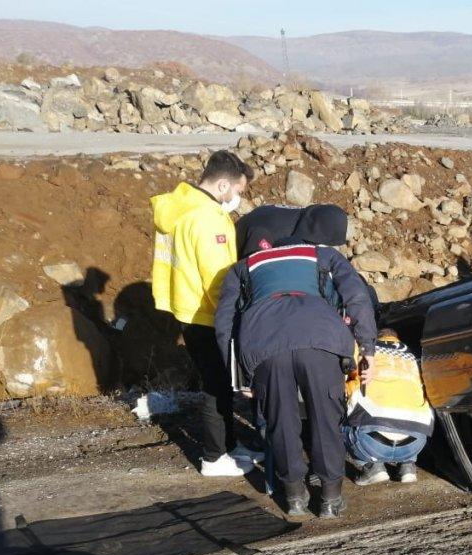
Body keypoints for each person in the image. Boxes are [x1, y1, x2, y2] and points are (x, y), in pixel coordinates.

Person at [215, 204, 377, 518]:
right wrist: (367, 348)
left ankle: (294, 498)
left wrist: (239, 378)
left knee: (280, 420)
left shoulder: (242, 268)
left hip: (264, 346)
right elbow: (356, 296)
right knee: (326, 419)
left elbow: (225, 324)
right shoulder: (323, 256)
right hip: (321, 341)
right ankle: (329, 498)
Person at [151, 150, 260, 476]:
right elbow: (219, 281)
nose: (238, 198)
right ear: (223, 184)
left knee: (218, 381)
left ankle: (229, 445)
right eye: (239, 191)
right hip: (208, 313)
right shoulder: (208, 218)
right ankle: (214, 457)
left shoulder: (179, 206)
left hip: (185, 305)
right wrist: (236, 317)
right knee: (218, 385)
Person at [344, 328, 434, 486]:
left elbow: (353, 386)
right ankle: (408, 466)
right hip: (416, 442)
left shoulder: (365, 351)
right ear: (396, 339)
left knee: (342, 420)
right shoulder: (414, 357)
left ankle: (372, 466)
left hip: (371, 442)